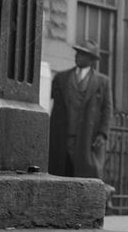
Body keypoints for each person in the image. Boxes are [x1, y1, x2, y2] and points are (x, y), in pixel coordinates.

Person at [49, 39, 113, 188]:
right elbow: (49, 100)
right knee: (60, 174)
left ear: (92, 60)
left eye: (82, 54)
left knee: (87, 176)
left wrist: (102, 134)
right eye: (77, 52)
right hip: (62, 136)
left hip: (87, 139)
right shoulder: (61, 78)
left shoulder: (102, 82)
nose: (77, 56)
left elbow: (108, 110)